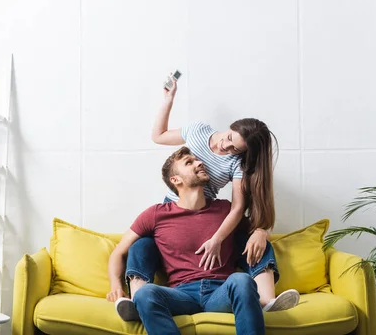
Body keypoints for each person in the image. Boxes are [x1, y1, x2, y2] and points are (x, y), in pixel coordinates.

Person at [108, 75, 299, 321]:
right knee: (142, 245)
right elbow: (159, 135)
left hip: (211, 217)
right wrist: (168, 100)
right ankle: (138, 301)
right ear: (230, 127)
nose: (225, 148)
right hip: (175, 208)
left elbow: (239, 208)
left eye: (235, 149)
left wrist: (246, 233)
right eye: (229, 138)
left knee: (253, 237)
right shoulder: (198, 132)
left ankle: (265, 300)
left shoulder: (236, 164)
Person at [107, 147, 265, 335]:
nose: (199, 163)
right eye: (189, 163)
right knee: (144, 294)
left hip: (221, 291)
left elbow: (257, 228)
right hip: (182, 294)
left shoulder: (226, 209)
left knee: (242, 280)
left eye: (197, 160)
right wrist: (116, 286)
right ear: (176, 180)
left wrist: (261, 232)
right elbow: (119, 252)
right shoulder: (156, 214)